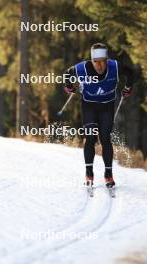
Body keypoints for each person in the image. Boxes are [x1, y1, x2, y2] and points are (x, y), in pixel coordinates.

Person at [64, 43, 133, 188]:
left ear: (107, 59)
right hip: (89, 106)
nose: (100, 65)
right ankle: (89, 173)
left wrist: (128, 87)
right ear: (92, 60)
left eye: (103, 61)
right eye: (96, 62)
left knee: (105, 138)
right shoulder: (82, 68)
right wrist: (69, 86)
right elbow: (67, 74)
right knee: (90, 137)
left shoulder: (115, 66)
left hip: (107, 106)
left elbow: (130, 73)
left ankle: (108, 175)